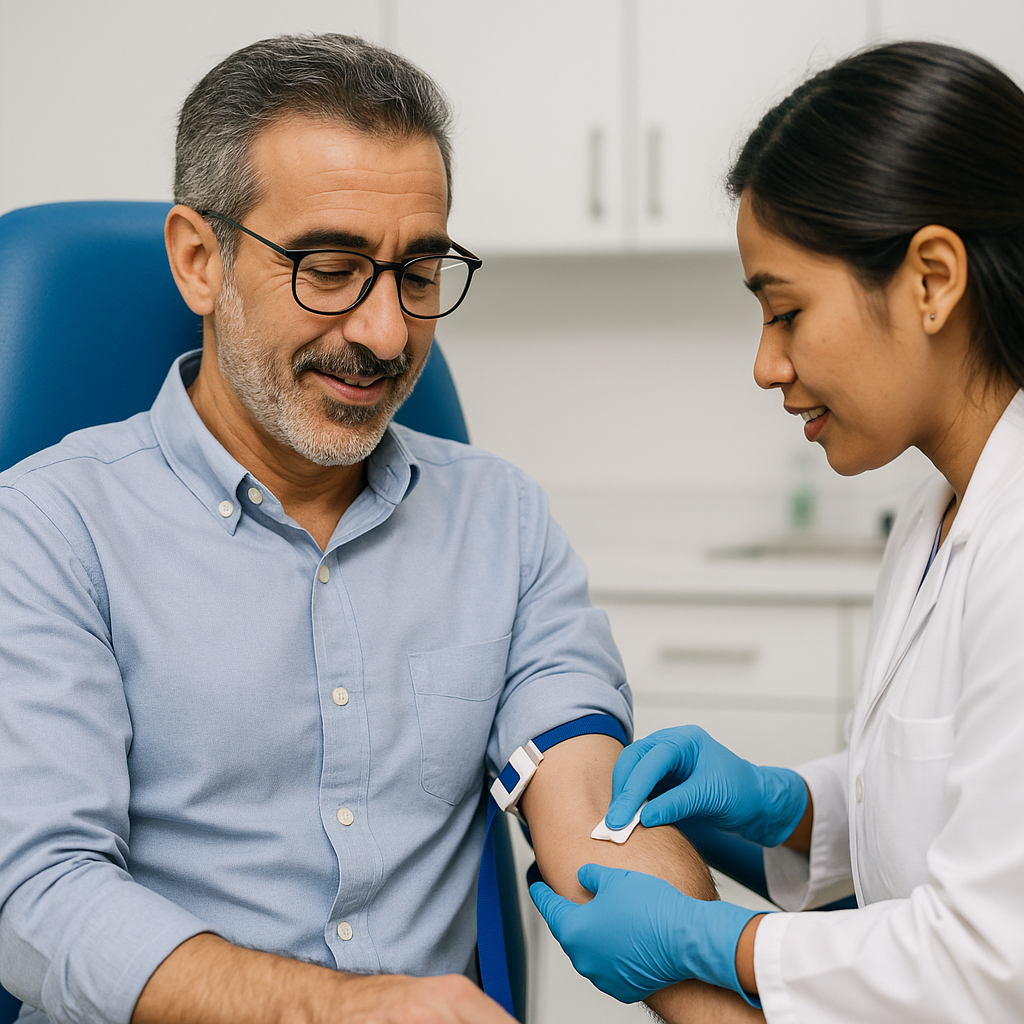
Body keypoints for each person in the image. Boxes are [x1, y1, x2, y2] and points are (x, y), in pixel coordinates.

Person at [0, 33, 719, 1024]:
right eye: (331, 269)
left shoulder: (500, 520)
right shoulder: (47, 532)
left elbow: (591, 807)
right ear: (200, 261)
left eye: (418, 273)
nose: (386, 334)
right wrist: (346, 1009)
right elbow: (39, 894)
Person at [530, 40, 1024, 1023]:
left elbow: (987, 959)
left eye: (786, 311)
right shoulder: (935, 513)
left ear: (932, 279)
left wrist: (716, 942)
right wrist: (784, 806)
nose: (766, 364)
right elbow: (951, 799)